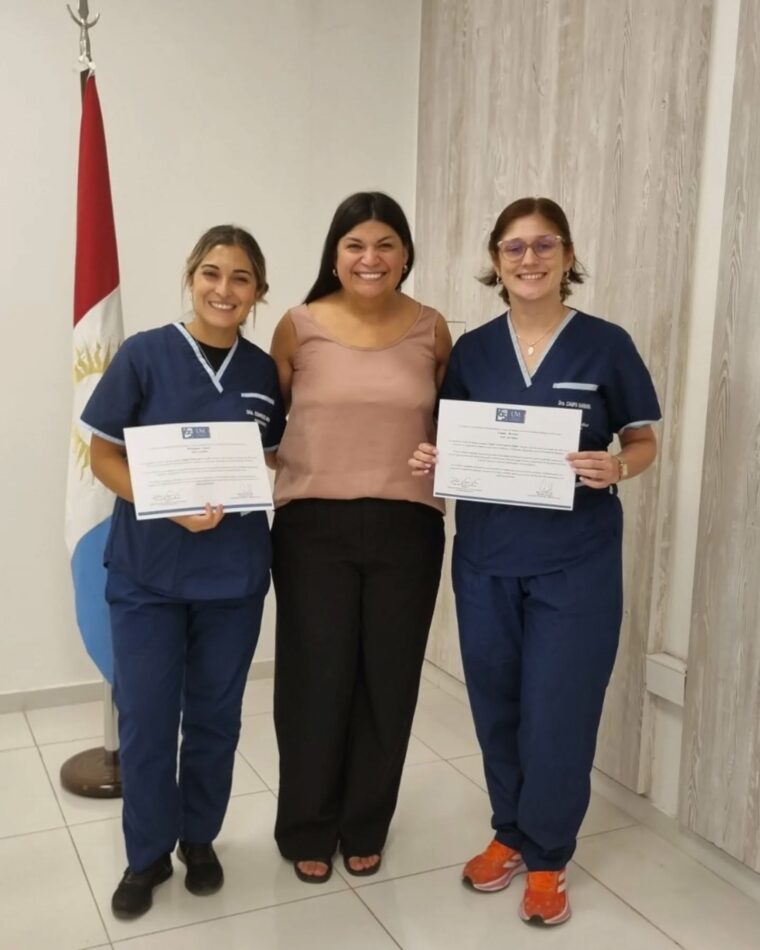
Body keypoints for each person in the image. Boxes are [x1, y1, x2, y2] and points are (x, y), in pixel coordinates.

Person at [410, 197, 660, 926]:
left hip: (574, 561)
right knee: (497, 703)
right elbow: (454, 440)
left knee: (560, 709)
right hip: (487, 558)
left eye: (545, 245)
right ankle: (510, 831)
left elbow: (643, 440)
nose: (530, 259)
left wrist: (620, 466)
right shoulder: (473, 350)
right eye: (514, 247)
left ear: (568, 256)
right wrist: (436, 459)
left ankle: (548, 855)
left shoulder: (606, 345)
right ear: (496, 261)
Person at [81, 225, 285, 919]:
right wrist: (165, 503)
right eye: (211, 273)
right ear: (191, 277)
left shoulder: (263, 373)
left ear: (258, 292)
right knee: (145, 719)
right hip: (149, 575)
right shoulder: (144, 355)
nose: (224, 290)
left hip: (233, 577)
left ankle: (199, 839)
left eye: (240, 278)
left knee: (215, 718)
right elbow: (102, 456)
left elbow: (272, 457)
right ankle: (145, 855)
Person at [269, 191, 451, 883]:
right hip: (313, 527)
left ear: (405, 254)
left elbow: (451, 426)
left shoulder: (432, 329)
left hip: (409, 527)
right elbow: (263, 422)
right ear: (335, 254)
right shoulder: (298, 326)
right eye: (355, 245)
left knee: (388, 680)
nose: (369, 258)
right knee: (315, 679)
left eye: (384, 244)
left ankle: (365, 822)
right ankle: (308, 825)